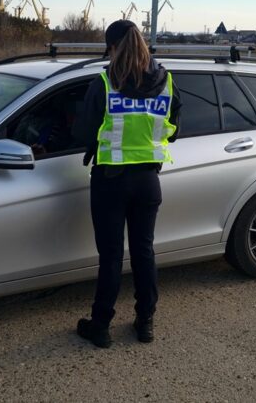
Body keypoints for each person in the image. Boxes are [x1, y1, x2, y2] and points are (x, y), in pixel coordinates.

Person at [74, 20, 182, 348]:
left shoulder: (105, 82)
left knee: (110, 256)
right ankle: (145, 322)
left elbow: (82, 132)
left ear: (112, 47)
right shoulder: (166, 82)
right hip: (148, 181)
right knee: (143, 252)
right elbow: (174, 129)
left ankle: (101, 326)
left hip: (110, 181)